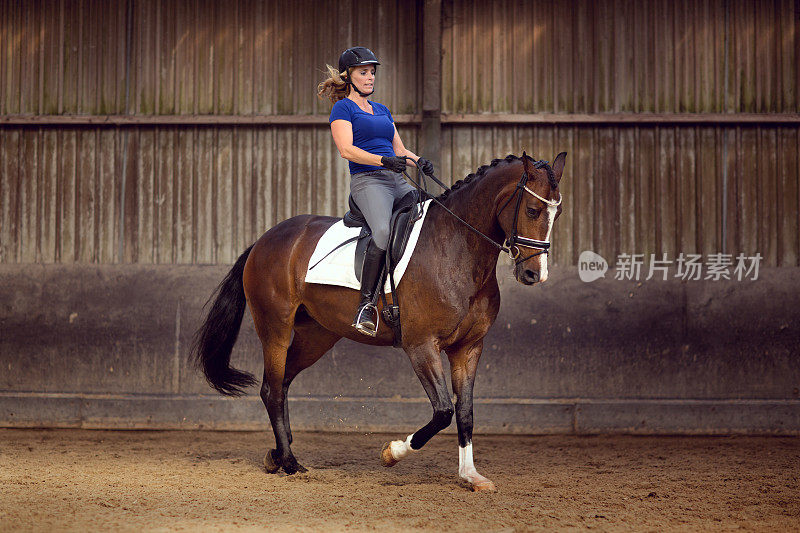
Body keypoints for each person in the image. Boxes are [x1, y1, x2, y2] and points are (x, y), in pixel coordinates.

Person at [318, 46, 434, 337]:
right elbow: (346, 150)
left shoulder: (382, 110)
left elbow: (400, 149)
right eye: (363, 72)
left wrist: (420, 162)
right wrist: (383, 161)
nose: (370, 78)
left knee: (431, 215)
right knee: (382, 232)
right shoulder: (343, 108)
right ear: (348, 76)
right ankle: (366, 304)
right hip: (368, 181)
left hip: (397, 179)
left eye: (372, 73)